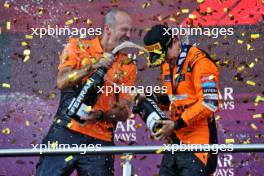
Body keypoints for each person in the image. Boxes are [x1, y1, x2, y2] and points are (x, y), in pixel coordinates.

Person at [36, 9, 136, 176]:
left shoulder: (128, 65)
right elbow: (62, 81)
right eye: (124, 29)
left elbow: (125, 111)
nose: (129, 35)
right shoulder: (77, 46)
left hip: (100, 140)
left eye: (131, 30)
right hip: (65, 132)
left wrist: (100, 115)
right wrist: (94, 65)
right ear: (108, 29)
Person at [143, 24, 219, 176]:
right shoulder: (167, 64)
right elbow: (175, 99)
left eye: (165, 54)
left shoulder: (200, 62)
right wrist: (151, 97)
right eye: (161, 57)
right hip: (175, 141)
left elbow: (209, 104)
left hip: (199, 144)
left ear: (175, 41)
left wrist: (176, 124)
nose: (165, 60)